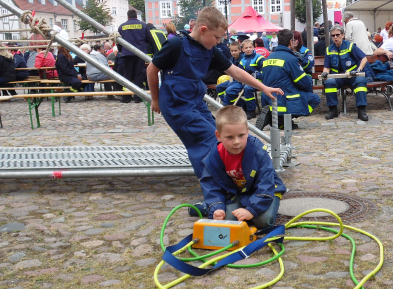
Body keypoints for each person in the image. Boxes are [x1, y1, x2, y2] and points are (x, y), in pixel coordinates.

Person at [146, 6, 283, 179]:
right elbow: (152, 70)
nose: (218, 42)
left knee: (221, 135)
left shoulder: (209, 50)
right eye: (216, 37)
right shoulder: (175, 45)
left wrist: (263, 87)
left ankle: (235, 175)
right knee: (206, 140)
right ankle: (213, 184)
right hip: (176, 105)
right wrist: (155, 100)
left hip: (196, 102)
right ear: (203, 30)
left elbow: (234, 71)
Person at [196, 105, 286, 228]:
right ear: (218, 136)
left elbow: (266, 185)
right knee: (226, 220)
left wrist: (251, 210)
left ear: (247, 131)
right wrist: (217, 208)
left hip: (265, 193)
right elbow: (211, 185)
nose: (236, 142)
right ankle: (209, 206)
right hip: (238, 193)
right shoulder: (214, 156)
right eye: (229, 137)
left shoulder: (258, 152)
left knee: (263, 221)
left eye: (241, 135)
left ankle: (208, 207)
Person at [260, 29, 320, 130]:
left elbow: (262, 77)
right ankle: (287, 118)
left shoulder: (268, 58)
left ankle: (280, 122)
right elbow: (302, 82)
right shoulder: (291, 59)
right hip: (286, 96)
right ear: (291, 42)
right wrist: (309, 79)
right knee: (315, 99)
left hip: (268, 97)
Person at [321, 24, 374, 122]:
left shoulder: (350, 46)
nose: (335, 37)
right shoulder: (329, 50)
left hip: (352, 76)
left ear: (343, 35)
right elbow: (327, 67)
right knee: (329, 82)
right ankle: (333, 110)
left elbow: (364, 58)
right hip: (338, 78)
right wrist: (325, 74)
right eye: (333, 35)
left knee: (361, 81)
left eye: (337, 35)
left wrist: (358, 71)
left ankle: (361, 110)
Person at [117, 9, 153, 103]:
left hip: (126, 54)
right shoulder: (143, 26)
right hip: (139, 54)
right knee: (139, 75)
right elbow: (150, 39)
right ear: (136, 16)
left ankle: (126, 97)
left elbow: (118, 41)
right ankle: (138, 97)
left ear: (128, 16)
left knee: (127, 75)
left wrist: (122, 51)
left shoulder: (122, 26)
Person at [223, 39, 265, 120]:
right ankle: (242, 106)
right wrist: (241, 80)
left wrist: (256, 75)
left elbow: (264, 71)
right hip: (244, 81)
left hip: (257, 82)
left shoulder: (260, 58)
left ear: (254, 47)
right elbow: (239, 73)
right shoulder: (243, 60)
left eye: (250, 47)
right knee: (229, 90)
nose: (248, 49)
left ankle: (251, 111)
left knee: (247, 89)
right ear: (242, 49)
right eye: (246, 48)